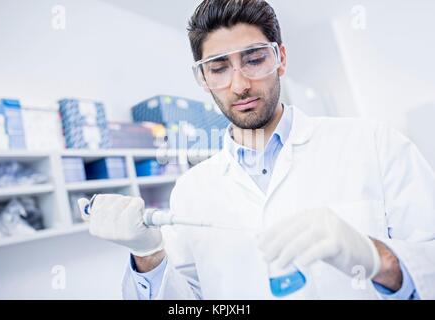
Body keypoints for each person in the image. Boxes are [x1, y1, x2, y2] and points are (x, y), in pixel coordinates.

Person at [80, 0, 435, 299]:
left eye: (254, 59)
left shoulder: (373, 143)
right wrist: (148, 256)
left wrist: (377, 258)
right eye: (218, 68)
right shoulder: (191, 190)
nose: (239, 85)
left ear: (280, 58)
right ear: (202, 80)